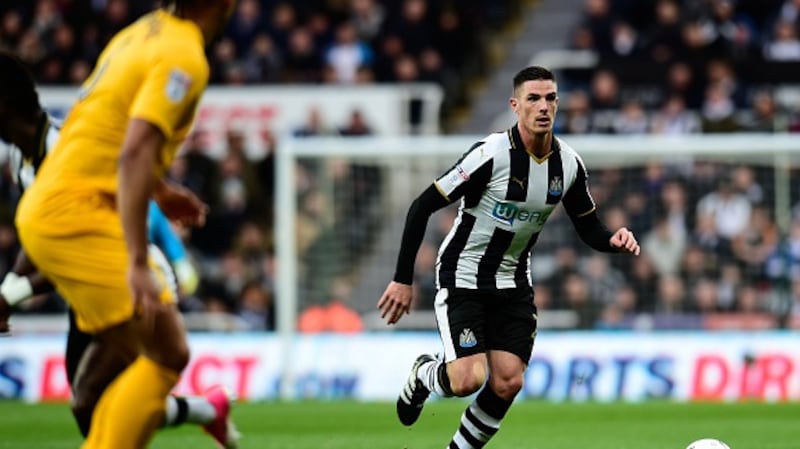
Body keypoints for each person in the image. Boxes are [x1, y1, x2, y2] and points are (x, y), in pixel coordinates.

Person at [377, 66, 640, 448]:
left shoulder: (568, 165)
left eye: (550, 97)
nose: (543, 106)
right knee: (468, 379)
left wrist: (612, 239)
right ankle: (423, 374)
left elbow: (589, 228)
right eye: (533, 98)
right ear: (515, 106)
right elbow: (422, 206)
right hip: (463, 276)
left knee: (508, 381)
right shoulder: (490, 155)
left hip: (513, 283)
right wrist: (402, 279)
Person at [14, 1, 238, 448]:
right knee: (168, 350)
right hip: (78, 216)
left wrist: (160, 190)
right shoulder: (184, 55)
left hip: (50, 208)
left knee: (113, 371)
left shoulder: (141, 32)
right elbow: (134, 151)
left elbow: (106, 134)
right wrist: (138, 260)